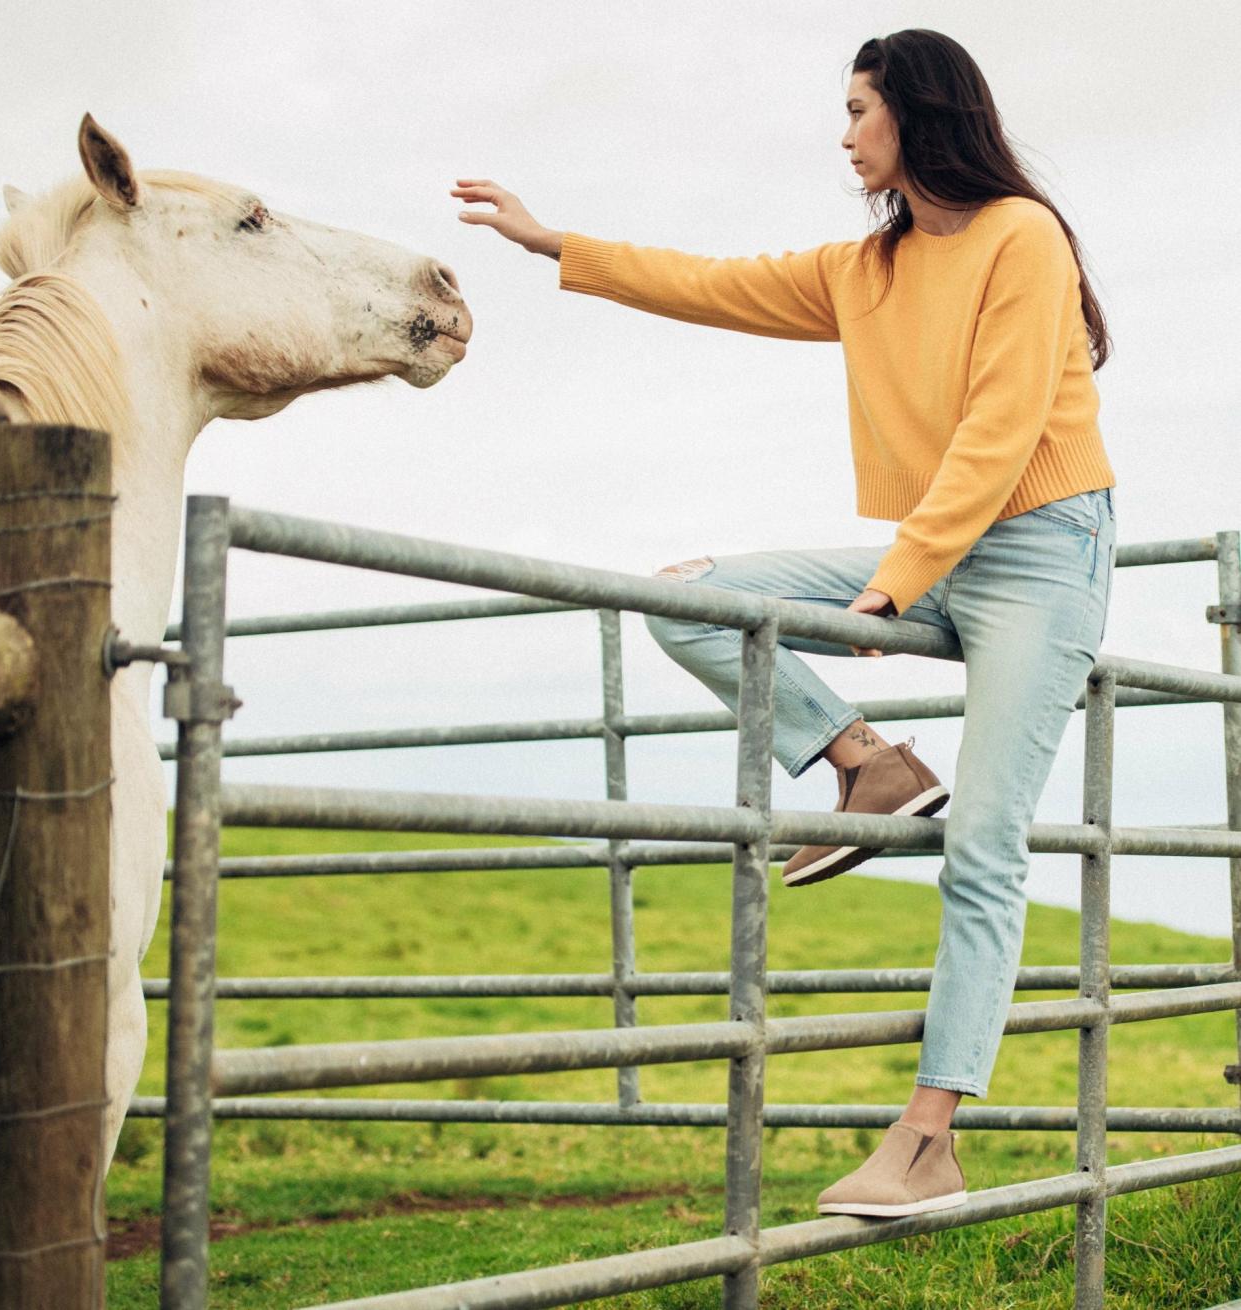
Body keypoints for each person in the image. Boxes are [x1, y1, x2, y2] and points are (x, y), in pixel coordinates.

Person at [451, 27, 1116, 1219]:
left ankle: (926, 1138)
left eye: (858, 108)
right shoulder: (865, 269)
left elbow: (1004, 422)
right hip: (937, 546)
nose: (843, 132)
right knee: (693, 599)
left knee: (982, 845)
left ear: (915, 112)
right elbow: (711, 282)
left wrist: (896, 578)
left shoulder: (1021, 235)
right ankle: (865, 762)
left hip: (1038, 552)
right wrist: (552, 241)